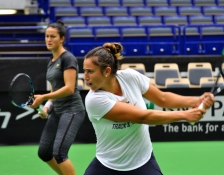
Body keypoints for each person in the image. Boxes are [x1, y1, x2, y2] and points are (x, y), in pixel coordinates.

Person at [83, 42, 215, 175]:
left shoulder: (130, 77)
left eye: (90, 71)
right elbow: (143, 117)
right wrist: (184, 115)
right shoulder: (94, 100)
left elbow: (162, 98)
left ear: (107, 71)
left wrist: (196, 100)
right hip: (107, 166)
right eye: (85, 71)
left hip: (142, 162)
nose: (85, 77)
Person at [30, 20, 85, 175]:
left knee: (60, 153)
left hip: (72, 110)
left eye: (52, 36)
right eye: (47, 36)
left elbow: (68, 88)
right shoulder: (51, 60)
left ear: (62, 38)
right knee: (44, 152)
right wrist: (47, 106)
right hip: (58, 111)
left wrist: (43, 97)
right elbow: (55, 87)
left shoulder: (68, 58)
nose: (48, 39)